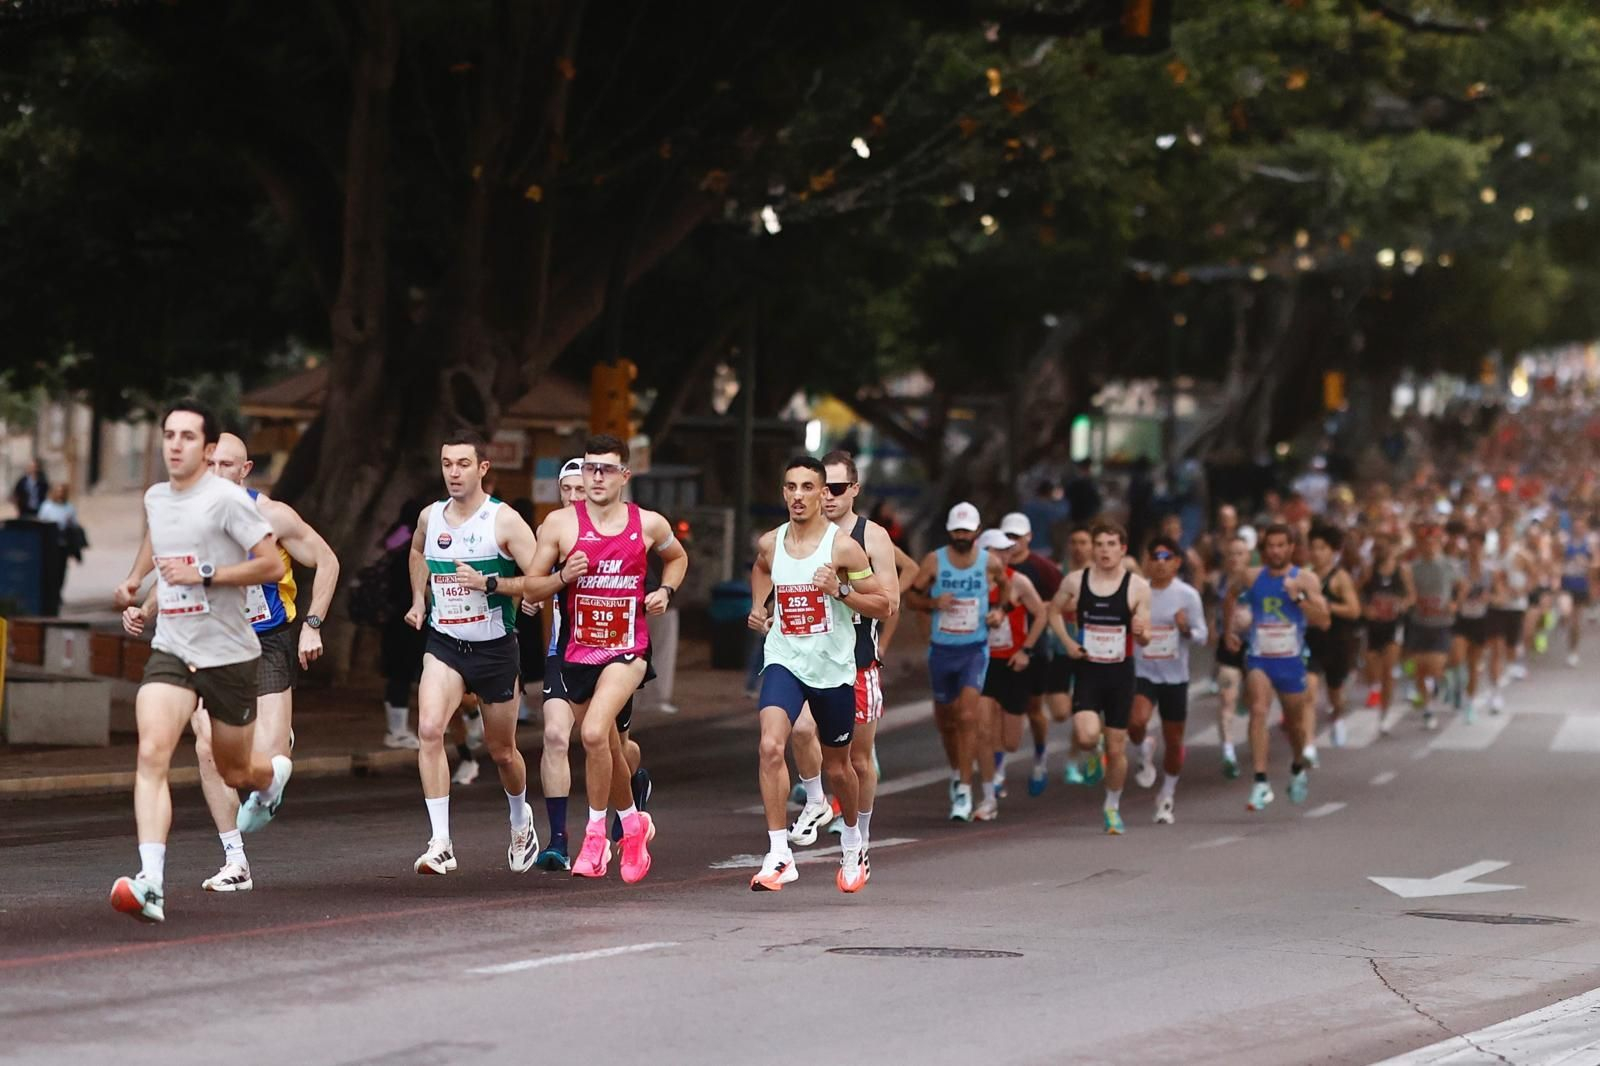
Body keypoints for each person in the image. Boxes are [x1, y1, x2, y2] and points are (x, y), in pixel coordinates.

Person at [124, 432, 339, 893]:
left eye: (227, 466)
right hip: (215, 642)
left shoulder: (272, 516)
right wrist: (144, 608)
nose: (216, 474)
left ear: (244, 471)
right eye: (211, 464)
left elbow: (327, 560)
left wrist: (314, 624)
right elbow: (176, 574)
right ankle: (235, 859)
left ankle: (273, 753)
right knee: (205, 746)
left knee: (270, 758)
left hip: (267, 640)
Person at [467, 434, 687, 883]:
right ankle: (631, 825)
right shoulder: (560, 526)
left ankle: (593, 837)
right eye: (589, 469)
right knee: (607, 745)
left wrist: (664, 590)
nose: (597, 477)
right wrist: (563, 576)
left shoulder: (647, 523)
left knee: (590, 734)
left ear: (625, 475)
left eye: (606, 469)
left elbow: (677, 557)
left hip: (627, 650)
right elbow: (531, 586)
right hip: (576, 651)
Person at [108, 402, 289, 923]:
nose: (175, 444)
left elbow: (272, 564)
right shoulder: (156, 497)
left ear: (209, 450)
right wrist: (135, 581)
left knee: (234, 767)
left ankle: (269, 778)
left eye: (188, 436)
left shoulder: (230, 502)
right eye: (169, 434)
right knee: (153, 751)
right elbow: (157, 539)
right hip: (175, 646)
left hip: (230, 653)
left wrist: (206, 575)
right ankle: (151, 882)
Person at [746, 456, 893, 891]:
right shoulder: (771, 542)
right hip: (784, 659)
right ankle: (778, 854)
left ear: (821, 492)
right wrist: (760, 606)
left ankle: (852, 843)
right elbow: (760, 568)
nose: (798, 495)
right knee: (771, 745)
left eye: (808, 487)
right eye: (790, 487)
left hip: (831, 669)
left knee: (839, 769)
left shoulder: (843, 547)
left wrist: (840, 589)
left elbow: (883, 603)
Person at [402, 431, 541, 876]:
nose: (454, 473)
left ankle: (521, 819)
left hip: (496, 647)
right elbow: (417, 551)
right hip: (445, 644)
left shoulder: (504, 521)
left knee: (502, 753)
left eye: (463, 464)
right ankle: (440, 841)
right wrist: (418, 599)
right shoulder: (431, 517)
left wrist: (494, 585)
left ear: (482, 468)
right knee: (428, 729)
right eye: (447, 464)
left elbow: (541, 576)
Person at [785, 451, 915, 859]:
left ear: (854, 491)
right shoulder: (798, 532)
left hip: (857, 661)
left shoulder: (872, 536)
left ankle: (860, 836)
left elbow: (890, 601)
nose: (828, 497)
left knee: (858, 760)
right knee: (801, 730)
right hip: (808, 658)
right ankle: (815, 799)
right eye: (823, 489)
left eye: (838, 489)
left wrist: (842, 592)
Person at [1045, 519, 1153, 835]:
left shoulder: (1137, 587)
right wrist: (1068, 643)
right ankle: (1095, 748)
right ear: (1093, 549)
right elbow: (1053, 611)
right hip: (1089, 670)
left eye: (1111, 545)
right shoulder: (1077, 581)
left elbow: (1145, 636)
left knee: (1117, 751)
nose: (1105, 551)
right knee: (1087, 735)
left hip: (1121, 674)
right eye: (1100, 545)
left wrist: (1142, 632)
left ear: (1123, 549)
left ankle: (1112, 806)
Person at [905, 502, 1010, 822]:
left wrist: (999, 611)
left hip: (974, 650)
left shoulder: (988, 562)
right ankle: (956, 773)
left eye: (967, 530)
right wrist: (934, 602)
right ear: (950, 531)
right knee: (947, 722)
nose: (962, 535)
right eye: (957, 530)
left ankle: (965, 790)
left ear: (977, 532)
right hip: (942, 651)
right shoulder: (935, 561)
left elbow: (1005, 588)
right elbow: (911, 598)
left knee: (967, 716)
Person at [1222, 523, 1330, 811]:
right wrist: (1229, 630)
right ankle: (1260, 781)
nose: (1276, 551)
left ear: (1291, 548)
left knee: (1294, 725)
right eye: (1271, 546)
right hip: (1259, 657)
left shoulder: (1305, 579)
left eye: (1282, 545)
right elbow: (1230, 595)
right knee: (1258, 708)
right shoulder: (1251, 576)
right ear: (1263, 549)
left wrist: (1299, 597)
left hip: (1291, 661)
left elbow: (1324, 619)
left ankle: (1296, 768)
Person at [973, 527, 1049, 822]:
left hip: (1013, 664)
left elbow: (1041, 613)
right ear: (984, 553)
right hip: (983, 663)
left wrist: (1026, 650)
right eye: (998, 550)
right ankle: (989, 796)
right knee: (983, 731)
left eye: (1007, 550)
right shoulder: (974, 582)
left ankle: (999, 768)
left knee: (1011, 740)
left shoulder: (1018, 581)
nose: (1005, 555)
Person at [1129, 536, 1206, 825]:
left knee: (1174, 741)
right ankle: (1142, 748)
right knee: (1135, 722)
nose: (1160, 564)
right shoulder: (1138, 592)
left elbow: (1203, 636)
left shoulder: (1187, 595)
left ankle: (1167, 795)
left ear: (1176, 563)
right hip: (1143, 671)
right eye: (1155, 557)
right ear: (1147, 562)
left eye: (1166, 558)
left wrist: (1186, 629)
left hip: (1175, 676)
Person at [997, 512, 1063, 798]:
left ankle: (1039, 757)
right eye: (1007, 537)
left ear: (1029, 537)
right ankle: (997, 770)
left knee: (1034, 709)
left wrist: (1037, 605)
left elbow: (1064, 599)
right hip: (1000, 648)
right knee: (998, 709)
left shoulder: (1042, 568)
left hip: (1034, 646)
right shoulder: (992, 566)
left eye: (1017, 537)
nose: (1012, 543)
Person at [1305, 523, 1360, 754]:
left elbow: (1354, 610)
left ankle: (1337, 717)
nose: (1317, 553)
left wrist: (1328, 605)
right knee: (1308, 691)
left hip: (1337, 642)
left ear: (1332, 551)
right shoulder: (1304, 576)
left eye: (1322, 548)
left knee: (1335, 692)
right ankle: (1308, 744)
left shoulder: (1340, 578)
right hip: (1310, 641)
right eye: (1313, 548)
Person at [1406, 523, 1464, 731]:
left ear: (1439, 543)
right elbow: (1408, 590)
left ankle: (1443, 681)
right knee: (1420, 668)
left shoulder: (1450, 565)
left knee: (1436, 665)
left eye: (1433, 542)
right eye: (1424, 543)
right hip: (1420, 622)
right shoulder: (1413, 567)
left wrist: (1455, 603)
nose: (1429, 546)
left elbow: (1462, 586)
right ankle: (1428, 706)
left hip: (1441, 623)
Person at [1361, 534, 1414, 735]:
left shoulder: (1402, 571)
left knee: (1388, 671)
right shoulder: (1369, 571)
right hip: (1374, 627)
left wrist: (1402, 604)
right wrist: (1365, 608)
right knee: (1371, 668)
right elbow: (1356, 591)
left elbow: (1411, 595)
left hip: (1394, 625)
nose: (1382, 551)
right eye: (1378, 547)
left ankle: (1384, 715)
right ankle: (1374, 689)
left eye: (1385, 547)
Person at [1211, 534, 1252, 778]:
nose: (1235, 558)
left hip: (1255, 646)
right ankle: (1228, 751)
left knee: (1252, 698)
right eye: (1231, 554)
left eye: (1240, 553)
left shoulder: (1257, 581)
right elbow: (1208, 606)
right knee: (1227, 697)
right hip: (1229, 645)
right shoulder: (1218, 581)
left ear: (1248, 557)